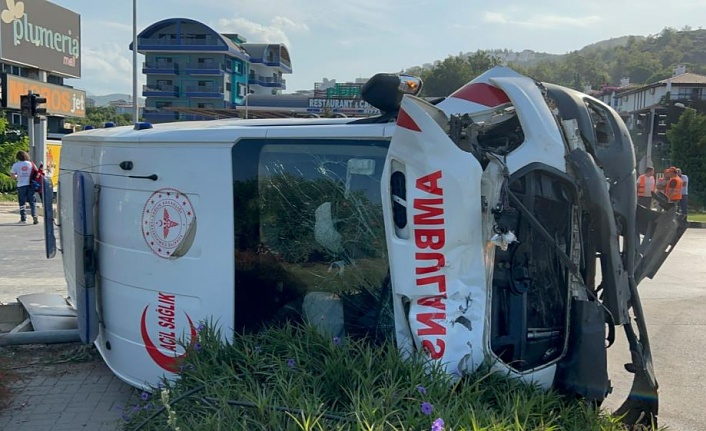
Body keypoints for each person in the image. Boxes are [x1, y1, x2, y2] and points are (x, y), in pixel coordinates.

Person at [9, 150, 38, 224]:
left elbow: (12, 176)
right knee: (32, 201)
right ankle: (34, 215)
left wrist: (17, 176)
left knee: (22, 202)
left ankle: (23, 219)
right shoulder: (31, 164)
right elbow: (37, 173)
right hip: (30, 185)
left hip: (21, 185)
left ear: (18, 157)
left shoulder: (16, 165)